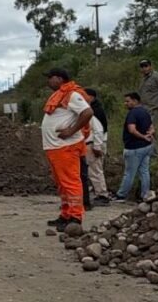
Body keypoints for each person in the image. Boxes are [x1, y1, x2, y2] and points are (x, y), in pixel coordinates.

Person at [41, 68, 93, 232]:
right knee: (62, 184)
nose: (48, 80)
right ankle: (65, 215)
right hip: (56, 148)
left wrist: (71, 130)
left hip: (66, 147)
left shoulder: (72, 94)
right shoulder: (59, 95)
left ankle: (75, 217)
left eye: (51, 77)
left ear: (60, 78)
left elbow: (87, 112)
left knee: (70, 183)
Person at [114, 92, 155, 202]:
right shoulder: (145, 112)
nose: (125, 103)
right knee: (144, 171)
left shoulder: (133, 113)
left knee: (129, 173)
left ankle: (121, 195)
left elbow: (131, 130)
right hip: (146, 147)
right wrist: (149, 135)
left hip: (134, 147)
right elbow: (152, 127)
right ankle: (145, 195)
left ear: (135, 101)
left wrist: (142, 137)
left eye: (128, 101)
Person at [84, 88, 111, 206]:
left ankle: (102, 195)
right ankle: (99, 192)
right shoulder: (96, 110)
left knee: (95, 170)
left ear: (91, 97)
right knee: (96, 170)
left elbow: (99, 130)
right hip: (96, 142)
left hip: (94, 143)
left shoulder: (94, 111)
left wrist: (97, 146)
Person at [137, 59, 158, 128]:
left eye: (146, 66)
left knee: (154, 132)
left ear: (150, 66)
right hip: (146, 111)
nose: (144, 68)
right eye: (142, 67)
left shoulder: (157, 77)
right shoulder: (144, 79)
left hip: (155, 110)